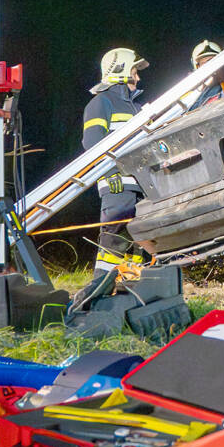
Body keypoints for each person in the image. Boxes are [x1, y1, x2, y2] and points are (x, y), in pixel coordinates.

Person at [83, 47, 149, 277]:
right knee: (114, 240)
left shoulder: (137, 107)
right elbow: (92, 142)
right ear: (120, 71)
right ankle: (100, 287)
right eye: (134, 71)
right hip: (116, 184)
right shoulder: (101, 103)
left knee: (137, 243)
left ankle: (130, 289)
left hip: (140, 185)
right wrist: (108, 171)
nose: (138, 77)